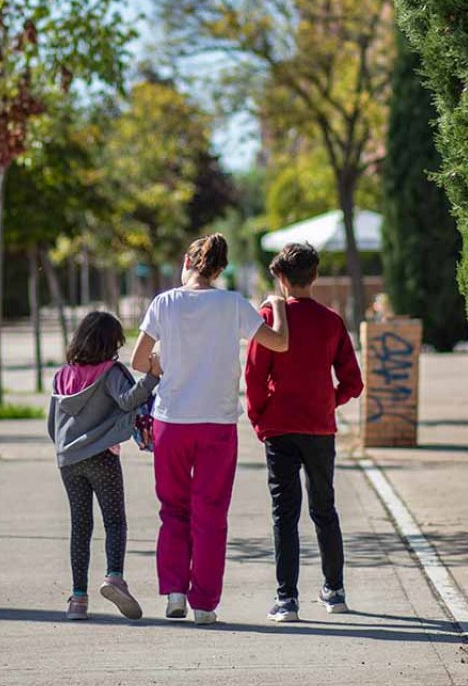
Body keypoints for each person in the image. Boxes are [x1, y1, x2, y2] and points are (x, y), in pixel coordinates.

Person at [132, 234, 289, 625]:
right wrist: (278, 306)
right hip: (217, 423)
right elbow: (280, 344)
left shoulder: (163, 303)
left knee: (173, 510)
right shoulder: (233, 304)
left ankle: (173, 592)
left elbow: (138, 360)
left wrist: (163, 367)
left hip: (171, 419)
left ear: (188, 261)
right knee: (211, 513)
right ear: (220, 269)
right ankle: (204, 603)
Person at [246, 243, 364, 622]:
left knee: (285, 514)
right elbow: (353, 381)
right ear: (314, 276)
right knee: (324, 509)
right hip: (319, 427)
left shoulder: (269, 317)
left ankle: (286, 599)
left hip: (279, 427)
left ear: (280, 278)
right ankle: (335, 591)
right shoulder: (331, 321)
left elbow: (253, 375)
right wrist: (330, 399)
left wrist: (259, 417)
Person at [47, 311, 161, 621]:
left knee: (80, 526)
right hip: (102, 457)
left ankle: (78, 600)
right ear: (111, 342)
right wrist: (152, 377)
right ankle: (114, 577)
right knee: (114, 521)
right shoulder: (111, 372)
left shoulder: (62, 375)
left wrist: (65, 448)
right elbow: (127, 400)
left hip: (68, 461)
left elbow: (51, 424)